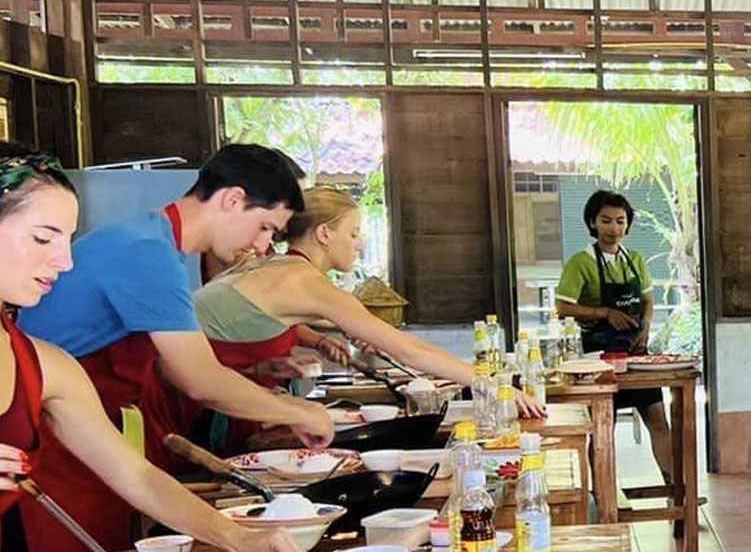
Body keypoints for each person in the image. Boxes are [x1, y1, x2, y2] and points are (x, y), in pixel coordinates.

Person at [18, 143, 334, 552]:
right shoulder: (145, 250)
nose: (263, 246)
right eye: (265, 227)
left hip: (93, 435)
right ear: (232, 199)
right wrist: (298, 411)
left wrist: (257, 377)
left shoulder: (152, 242)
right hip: (53, 449)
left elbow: (166, 376)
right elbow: (198, 379)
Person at [189, 188, 540, 442]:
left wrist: (343, 330)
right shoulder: (306, 281)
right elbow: (409, 351)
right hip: (187, 405)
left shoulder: (276, 267)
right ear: (324, 234)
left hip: (198, 396)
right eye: (354, 233)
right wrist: (493, 386)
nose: (359, 244)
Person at [554, 189, 675, 484]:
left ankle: (676, 489)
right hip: (598, 355)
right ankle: (604, 496)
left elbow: (647, 302)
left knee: (658, 420)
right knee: (602, 428)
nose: (613, 228)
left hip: (636, 354)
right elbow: (562, 308)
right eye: (606, 221)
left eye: (620, 221)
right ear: (592, 222)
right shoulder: (580, 262)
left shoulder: (635, 260)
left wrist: (645, 329)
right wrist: (604, 312)